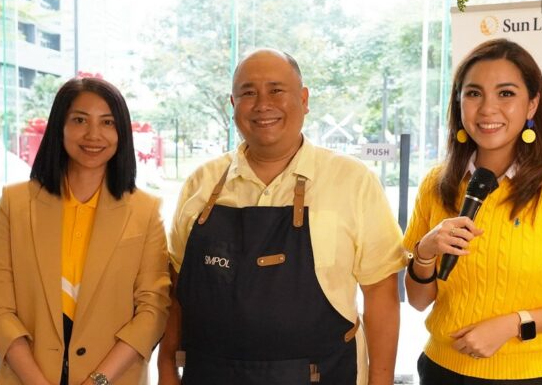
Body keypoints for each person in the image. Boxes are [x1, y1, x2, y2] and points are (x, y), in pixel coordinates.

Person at [158, 48, 405, 384]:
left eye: (276, 90)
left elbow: (381, 294)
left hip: (324, 374)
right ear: (233, 106)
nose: (262, 104)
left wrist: (380, 380)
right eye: (248, 93)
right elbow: (176, 288)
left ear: (303, 99)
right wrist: (166, 367)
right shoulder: (201, 183)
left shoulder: (352, 180)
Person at [403, 38, 542, 384]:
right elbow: (417, 301)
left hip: (529, 377)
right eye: (474, 93)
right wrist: (425, 253)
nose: (488, 109)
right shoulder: (437, 183)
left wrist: (515, 323)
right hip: (439, 369)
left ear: (532, 104)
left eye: (506, 93)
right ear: (458, 103)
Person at [0, 77, 171, 385]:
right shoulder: (15, 204)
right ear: (60, 126)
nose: (93, 134)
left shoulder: (145, 211)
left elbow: (153, 311)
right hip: (27, 376)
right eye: (80, 120)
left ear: (121, 132)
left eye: (107, 122)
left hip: (112, 377)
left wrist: (98, 380)